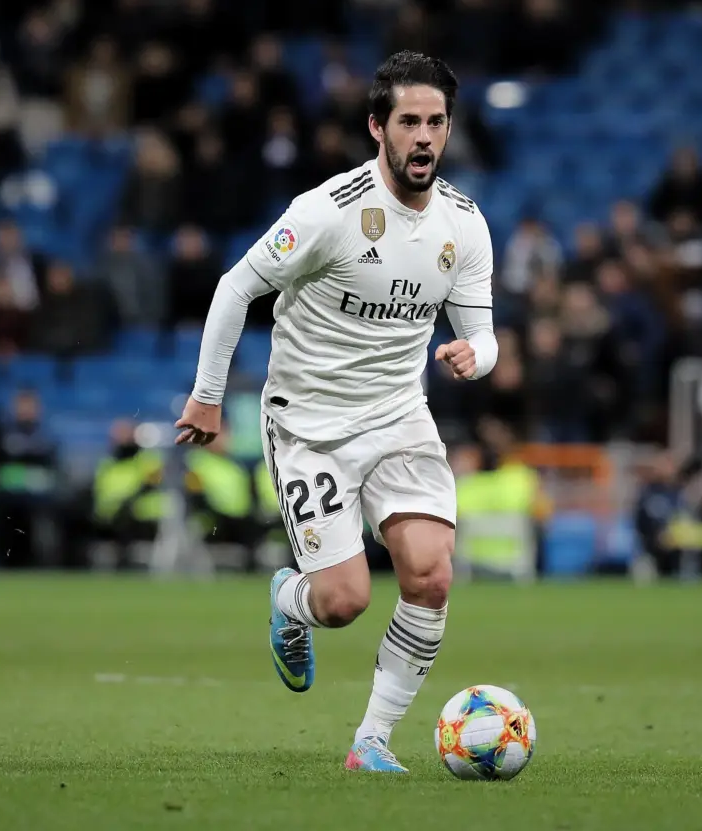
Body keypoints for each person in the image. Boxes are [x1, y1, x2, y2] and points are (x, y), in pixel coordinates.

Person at [175, 52, 498, 773]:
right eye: (408, 121)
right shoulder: (328, 212)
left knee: (431, 575)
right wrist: (207, 394)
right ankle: (291, 600)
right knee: (344, 600)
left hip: (399, 418)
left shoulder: (465, 224)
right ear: (377, 127)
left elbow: (484, 335)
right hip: (309, 427)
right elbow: (235, 287)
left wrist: (475, 354)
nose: (423, 136)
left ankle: (371, 741)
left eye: (436, 122)